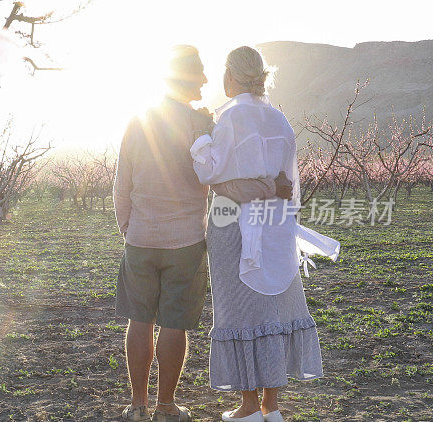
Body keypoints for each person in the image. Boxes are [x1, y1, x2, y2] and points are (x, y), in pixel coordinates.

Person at [113, 45, 290, 422]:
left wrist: (128, 226)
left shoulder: (138, 120)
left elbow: (121, 182)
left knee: (139, 321)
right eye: (200, 74)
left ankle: (137, 406)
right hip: (186, 241)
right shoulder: (202, 122)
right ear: (185, 78)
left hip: (140, 238)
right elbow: (219, 175)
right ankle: (166, 407)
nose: (207, 80)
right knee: (174, 324)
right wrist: (269, 187)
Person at [190, 46, 325, 422]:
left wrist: (201, 138)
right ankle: (272, 406)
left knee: (240, 310)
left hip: (231, 221)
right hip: (275, 221)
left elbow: (209, 172)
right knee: (274, 306)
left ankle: (248, 407)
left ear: (230, 77)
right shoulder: (278, 118)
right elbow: (289, 183)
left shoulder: (229, 118)